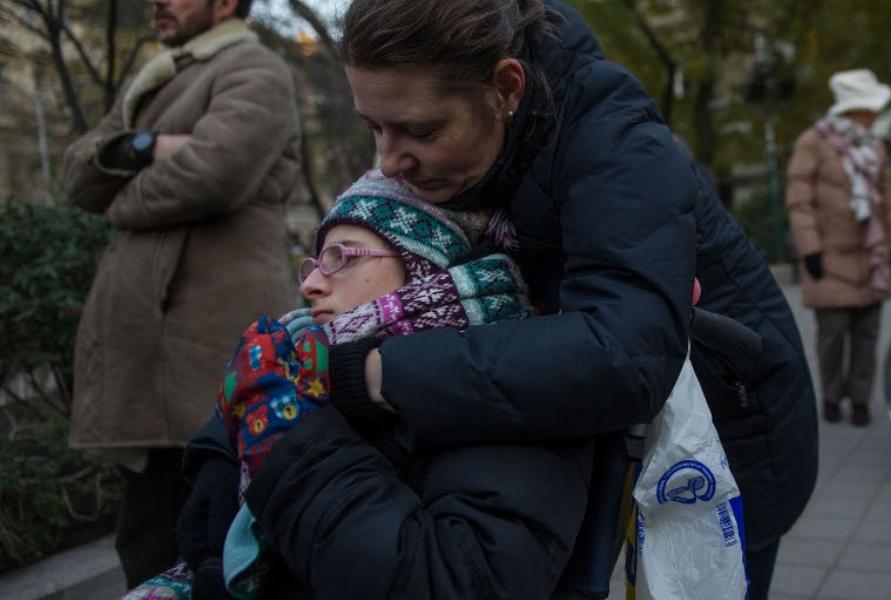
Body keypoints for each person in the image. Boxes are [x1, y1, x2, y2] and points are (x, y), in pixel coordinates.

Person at [178, 1, 818, 597]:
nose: (389, 159)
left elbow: (624, 355)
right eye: (374, 126)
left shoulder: (614, 139)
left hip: (732, 431)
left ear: (506, 88)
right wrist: (232, 436)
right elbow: (358, 293)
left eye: (418, 130)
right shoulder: (435, 149)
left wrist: (367, 373)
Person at [129, 171, 591, 599]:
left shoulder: (508, 386)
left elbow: (451, 580)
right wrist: (225, 447)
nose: (310, 282)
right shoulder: (294, 365)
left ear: (427, 267)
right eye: (313, 261)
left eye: (341, 258)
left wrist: (285, 439)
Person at [61, 0, 302, 585]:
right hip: (151, 360)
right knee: (148, 536)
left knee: (216, 539)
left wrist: (119, 193)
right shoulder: (160, 76)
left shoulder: (254, 69)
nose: (158, 2)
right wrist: (146, 147)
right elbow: (77, 171)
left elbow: (213, 171)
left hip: (206, 357)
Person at [785, 68, 891, 426]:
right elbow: (799, 200)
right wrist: (809, 249)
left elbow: (888, 200)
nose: (874, 116)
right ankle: (830, 395)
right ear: (850, 110)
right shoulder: (812, 142)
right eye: (869, 109)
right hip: (829, 258)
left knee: (867, 335)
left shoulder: (875, 146)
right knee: (832, 336)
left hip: (872, 257)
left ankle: (859, 399)